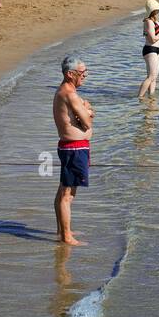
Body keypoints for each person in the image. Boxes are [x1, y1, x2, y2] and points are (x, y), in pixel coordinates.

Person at [53, 54, 93, 245]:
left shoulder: (65, 92)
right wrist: (88, 112)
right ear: (70, 74)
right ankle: (66, 236)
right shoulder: (69, 94)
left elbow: (79, 119)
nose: (85, 75)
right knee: (67, 194)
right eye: (82, 72)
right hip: (73, 149)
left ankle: (63, 229)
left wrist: (85, 110)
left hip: (73, 148)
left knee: (64, 190)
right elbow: (85, 123)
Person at [137, 0, 159, 100]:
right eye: (157, 9)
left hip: (156, 50)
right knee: (151, 76)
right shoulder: (149, 22)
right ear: (154, 10)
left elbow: (156, 34)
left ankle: (151, 97)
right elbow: (153, 39)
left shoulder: (154, 21)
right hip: (150, 49)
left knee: (154, 77)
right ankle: (140, 98)